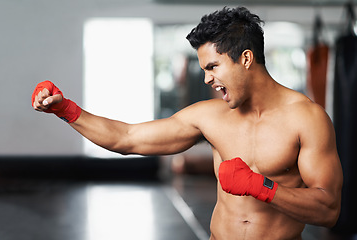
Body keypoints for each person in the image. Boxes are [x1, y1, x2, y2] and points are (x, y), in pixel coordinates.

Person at [32, 6, 342, 240]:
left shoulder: (306, 118)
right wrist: (67, 109)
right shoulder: (208, 116)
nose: (207, 78)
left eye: (213, 67)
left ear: (246, 59)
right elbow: (126, 138)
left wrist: (262, 187)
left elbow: (329, 210)